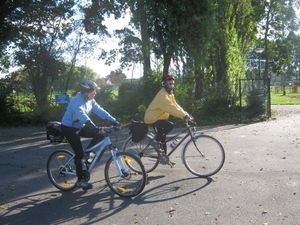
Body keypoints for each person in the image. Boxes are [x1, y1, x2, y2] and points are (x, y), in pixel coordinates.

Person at [61, 80, 121, 190]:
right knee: (79, 153)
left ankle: (87, 154)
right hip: (69, 127)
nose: (95, 93)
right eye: (93, 91)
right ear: (85, 92)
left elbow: (100, 110)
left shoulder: (90, 100)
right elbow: (82, 115)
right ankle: (80, 180)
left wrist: (114, 120)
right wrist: (94, 127)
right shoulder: (76, 101)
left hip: (80, 125)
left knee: (101, 135)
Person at [144, 74, 191, 165]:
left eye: (173, 84)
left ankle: (164, 158)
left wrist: (185, 114)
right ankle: (155, 141)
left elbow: (175, 106)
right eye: (170, 83)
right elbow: (171, 108)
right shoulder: (162, 95)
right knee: (170, 125)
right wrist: (184, 116)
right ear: (165, 84)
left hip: (159, 118)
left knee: (163, 139)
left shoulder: (169, 95)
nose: (172, 85)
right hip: (152, 118)